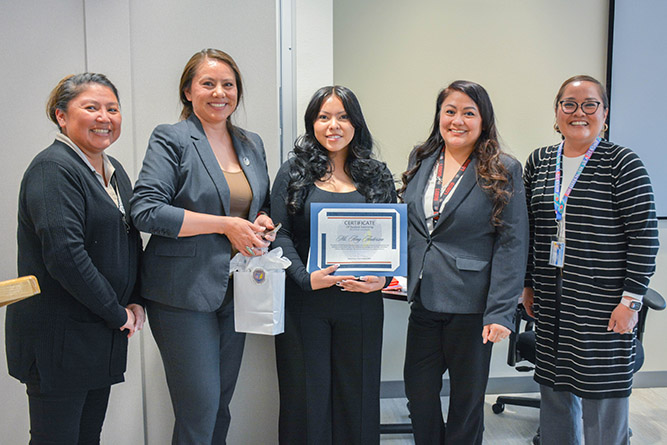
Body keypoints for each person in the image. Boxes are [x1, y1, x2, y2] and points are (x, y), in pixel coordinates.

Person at [130, 48, 274, 444]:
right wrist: (226, 225)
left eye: (228, 84)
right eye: (207, 84)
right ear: (188, 92)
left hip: (236, 290)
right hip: (181, 293)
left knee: (221, 404)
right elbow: (145, 210)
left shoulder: (251, 142)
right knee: (200, 407)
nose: (219, 92)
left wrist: (260, 220)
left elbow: (255, 203)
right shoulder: (172, 138)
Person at [5, 73, 144, 444]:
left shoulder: (113, 172)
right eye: (91, 107)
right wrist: (117, 313)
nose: (105, 117)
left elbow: (129, 243)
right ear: (61, 116)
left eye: (112, 109)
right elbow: (65, 255)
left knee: (87, 438)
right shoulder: (53, 169)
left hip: (98, 334)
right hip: (59, 340)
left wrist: (136, 300)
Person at [522, 75, 659, 445]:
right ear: (556, 112)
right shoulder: (539, 161)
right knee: (555, 384)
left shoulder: (622, 163)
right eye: (569, 104)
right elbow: (528, 230)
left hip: (604, 299)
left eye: (589, 105)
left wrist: (631, 301)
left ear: (605, 113)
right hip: (551, 297)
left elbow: (645, 238)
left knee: (603, 389)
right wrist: (527, 283)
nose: (578, 112)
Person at [399, 80, 528, 444]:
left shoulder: (503, 168)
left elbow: (512, 243)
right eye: (450, 111)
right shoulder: (422, 158)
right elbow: (411, 225)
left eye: (468, 113)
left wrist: (501, 312)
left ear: (483, 120)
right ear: (439, 116)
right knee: (418, 392)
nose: (458, 120)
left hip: (473, 307)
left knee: (466, 402)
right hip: (424, 297)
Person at [270, 86, 396, 445]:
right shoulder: (293, 172)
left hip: (361, 304)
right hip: (304, 304)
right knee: (304, 399)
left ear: (356, 123)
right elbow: (279, 236)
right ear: (312, 124)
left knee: (357, 398)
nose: (333, 125)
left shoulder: (376, 174)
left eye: (342, 116)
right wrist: (305, 278)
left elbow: (394, 239)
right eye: (323, 117)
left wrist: (383, 277)